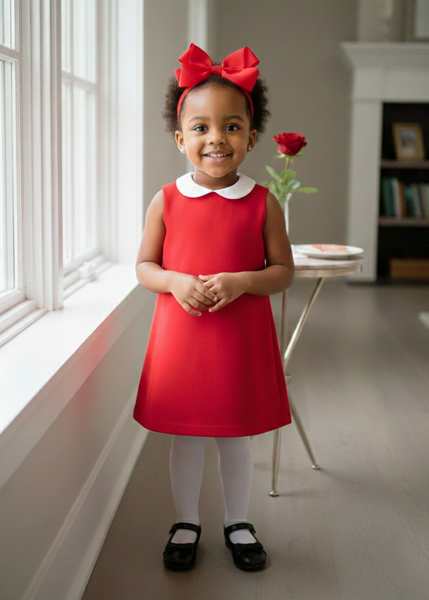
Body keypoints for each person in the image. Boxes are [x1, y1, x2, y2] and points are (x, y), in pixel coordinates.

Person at [134, 44, 294, 572]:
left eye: (230, 127)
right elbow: (144, 267)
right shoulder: (167, 200)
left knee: (235, 436)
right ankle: (185, 520)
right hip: (185, 337)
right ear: (181, 139)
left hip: (237, 338)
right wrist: (175, 281)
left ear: (250, 137)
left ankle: (237, 520)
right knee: (187, 436)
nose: (215, 139)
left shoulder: (262, 201)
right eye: (200, 128)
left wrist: (243, 280)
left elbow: (282, 270)